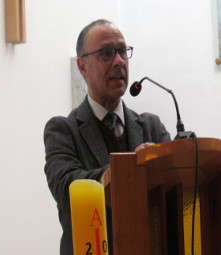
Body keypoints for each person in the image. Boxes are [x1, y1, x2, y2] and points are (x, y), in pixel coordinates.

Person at [43, 19, 171, 255]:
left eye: (122, 51)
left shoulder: (151, 126)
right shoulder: (63, 130)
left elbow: (175, 186)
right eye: (107, 53)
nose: (119, 61)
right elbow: (67, 187)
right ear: (82, 67)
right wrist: (129, 167)